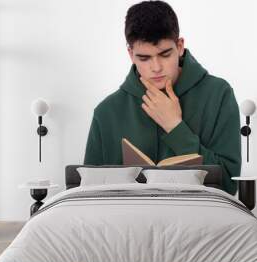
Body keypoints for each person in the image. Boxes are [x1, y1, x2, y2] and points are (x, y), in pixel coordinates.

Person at [83, 0, 241, 195]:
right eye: (144, 58)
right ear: (130, 54)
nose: (156, 67)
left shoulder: (219, 95)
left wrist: (175, 127)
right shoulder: (106, 112)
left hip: (198, 222)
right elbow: (88, 196)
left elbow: (228, 184)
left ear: (180, 46)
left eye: (165, 54)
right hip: (127, 224)